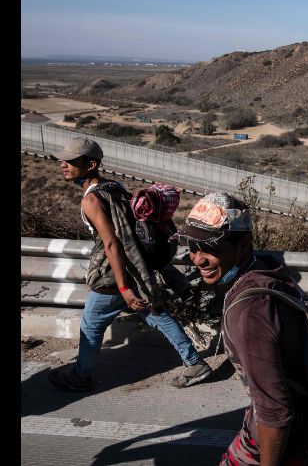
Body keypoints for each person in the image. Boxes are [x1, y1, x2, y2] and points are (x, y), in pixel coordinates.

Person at [175, 192, 308, 465]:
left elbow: (274, 412)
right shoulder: (269, 272)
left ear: (244, 245)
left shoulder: (250, 312)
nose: (197, 259)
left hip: (286, 441)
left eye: (211, 248)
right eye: (192, 246)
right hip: (307, 429)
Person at [47, 137, 212, 392]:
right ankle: (193, 362)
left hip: (113, 275)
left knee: (91, 326)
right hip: (136, 268)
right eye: (63, 161)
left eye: (71, 161)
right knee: (154, 313)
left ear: (91, 165)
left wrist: (123, 288)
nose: (64, 165)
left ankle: (80, 376)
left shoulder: (91, 201)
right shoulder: (116, 187)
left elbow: (112, 244)